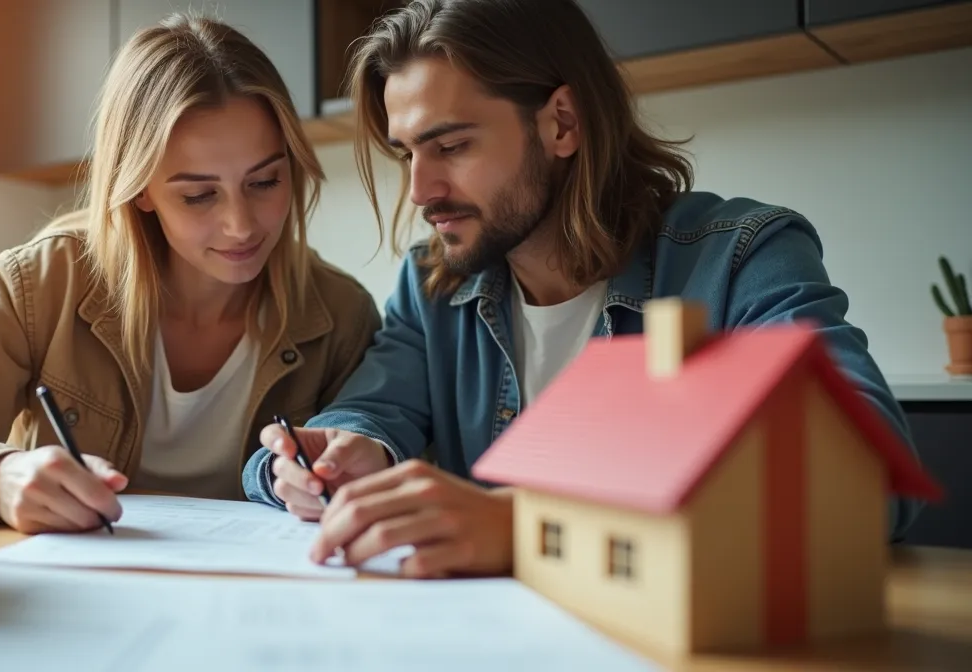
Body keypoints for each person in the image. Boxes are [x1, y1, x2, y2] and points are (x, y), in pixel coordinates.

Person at [244, 0, 924, 578]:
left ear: (561, 124)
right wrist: (336, 454)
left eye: (450, 146)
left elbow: (869, 480)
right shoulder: (433, 286)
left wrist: (529, 525)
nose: (420, 191)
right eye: (407, 153)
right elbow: (373, 411)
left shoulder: (740, 258)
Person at [0, 14, 380, 534]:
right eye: (198, 195)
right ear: (140, 189)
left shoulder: (341, 315)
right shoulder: (46, 281)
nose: (241, 225)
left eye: (265, 182)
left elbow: (374, 474)